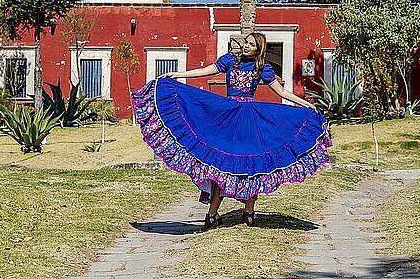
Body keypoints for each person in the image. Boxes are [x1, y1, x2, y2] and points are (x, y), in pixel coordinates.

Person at [132, 32, 332, 231]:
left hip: (250, 120)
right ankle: (211, 215)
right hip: (228, 116)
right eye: (247, 42)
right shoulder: (230, 60)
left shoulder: (262, 67)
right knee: (221, 163)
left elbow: (281, 92)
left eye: (252, 44)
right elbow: (206, 70)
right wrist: (178, 75)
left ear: (259, 49)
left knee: (252, 165)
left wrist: (305, 103)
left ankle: (249, 213)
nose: (246, 46)